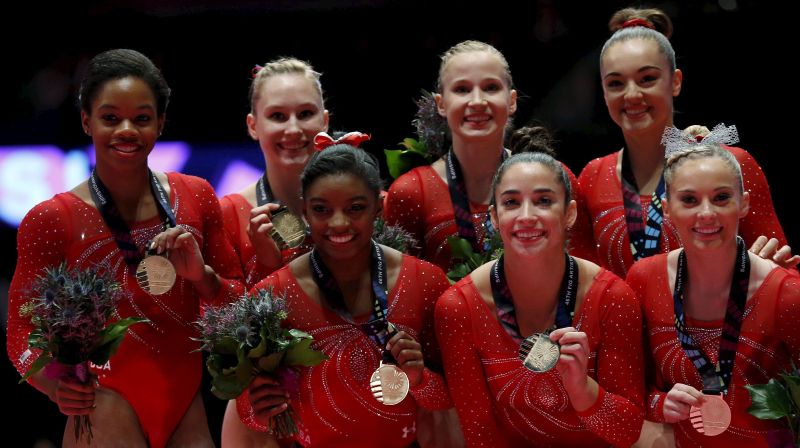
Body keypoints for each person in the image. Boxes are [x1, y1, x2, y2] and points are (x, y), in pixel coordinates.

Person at [7, 49, 245, 447]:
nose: (127, 131)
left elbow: (240, 307)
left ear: (161, 123)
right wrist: (54, 386)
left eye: (142, 118)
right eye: (111, 118)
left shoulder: (196, 198)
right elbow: (20, 330)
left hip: (186, 409)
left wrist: (202, 279)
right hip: (103, 407)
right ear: (86, 120)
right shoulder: (51, 219)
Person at [225, 145, 453, 447]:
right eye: (321, 209)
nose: (338, 223)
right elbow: (251, 416)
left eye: (355, 208)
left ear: (378, 208)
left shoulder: (426, 282)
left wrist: (419, 379)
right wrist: (259, 407)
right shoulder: (271, 295)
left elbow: (448, 400)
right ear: (304, 211)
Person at [435, 141, 645, 447]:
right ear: (494, 218)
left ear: (569, 213)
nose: (526, 216)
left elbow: (627, 433)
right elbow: (480, 432)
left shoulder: (613, 297)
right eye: (511, 203)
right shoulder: (458, 307)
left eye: (544, 201)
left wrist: (581, 389)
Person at [578, 7, 790, 278]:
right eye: (616, 83)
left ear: (675, 82)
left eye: (647, 79)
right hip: (619, 321)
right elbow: (580, 291)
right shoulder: (592, 177)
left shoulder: (731, 165)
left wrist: (772, 272)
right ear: (604, 92)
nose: (632, 94)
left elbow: (787, 278)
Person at [627, 142, 800, 447]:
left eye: (721, 198)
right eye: (690, 200)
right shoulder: (643, 279)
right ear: (667, 209)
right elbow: (626, 387)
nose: (706, 213)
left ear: (744, 203)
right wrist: (657, 403)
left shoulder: (787, 293)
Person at [384, 40, 596, 274]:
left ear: (512, 100)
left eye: (491, 88)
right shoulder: (411, 193)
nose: (477, 101)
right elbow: (398, 293)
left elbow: (584, 280)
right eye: (462, 89)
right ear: (441, 104)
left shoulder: (555, 179)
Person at [219, 57, 329, 288]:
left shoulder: (369, 205)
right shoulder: (228, 216)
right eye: (278, 116)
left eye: (305, 113)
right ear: (253, 126)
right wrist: (266, 265)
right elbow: (222, 319)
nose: (293, 129)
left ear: (325, 122)